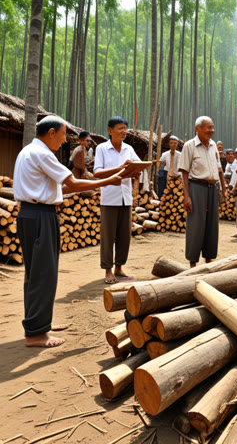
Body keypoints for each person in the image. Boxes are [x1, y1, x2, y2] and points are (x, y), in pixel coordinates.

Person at [13, 116, 124, 347]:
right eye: (64, 135)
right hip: (41, 215)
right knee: (44, 273)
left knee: (35, 274)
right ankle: (36, 334)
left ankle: (38, 323)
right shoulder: (43, 153)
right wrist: (107, 181)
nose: (64, 141)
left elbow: (58, 185)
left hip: (28, 214)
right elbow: (72, 183)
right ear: (51, 132)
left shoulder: (27, 151)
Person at [94, 117, 141, 284]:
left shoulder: (129, 149)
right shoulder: (101, 149)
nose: (123, 131)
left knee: (124, 236)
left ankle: (119, 268)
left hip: (125, 197)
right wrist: (120, 169)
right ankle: (108, 270)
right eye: (120, 128)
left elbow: (138, 165)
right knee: (108, 236)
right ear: (110, 130)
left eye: (125, 128)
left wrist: (135, 169)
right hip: (109, 198)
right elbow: (97, 173)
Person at [179, 116, 227, 268]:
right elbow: (184, 173)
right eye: (207, 127)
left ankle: (209, 259)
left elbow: (219, 170)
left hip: (212, 188)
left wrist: (223, 190)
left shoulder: (213, 145)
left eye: (212, 127)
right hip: (196, 188)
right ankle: (193, 262)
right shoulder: (189, 146)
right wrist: (187, 196)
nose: (211, 131)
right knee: (196, 225)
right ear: (197, 129)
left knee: (212, 225)